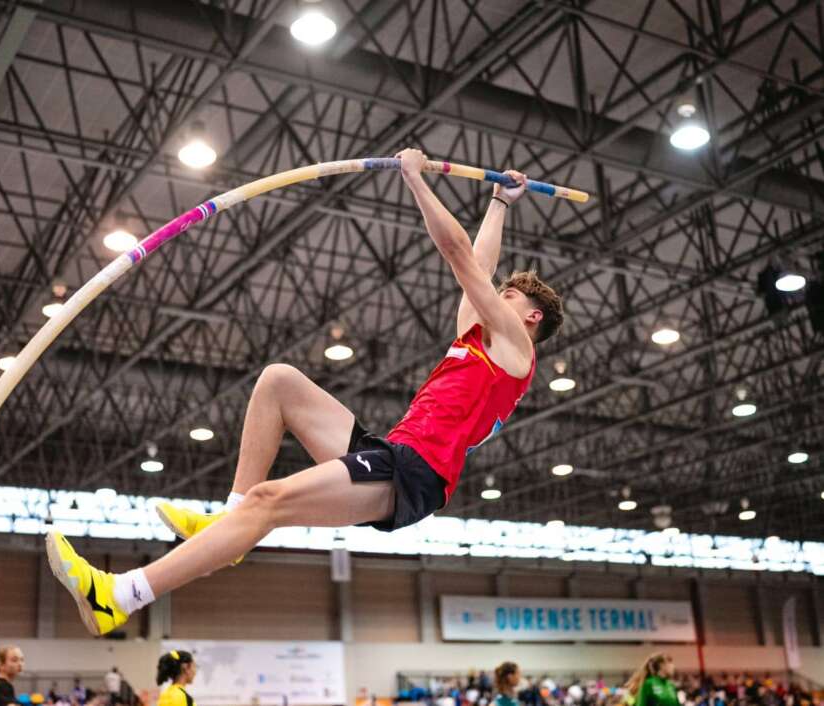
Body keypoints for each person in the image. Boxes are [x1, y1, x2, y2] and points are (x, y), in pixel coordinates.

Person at [45, 147, 564, 634]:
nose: (495, 295)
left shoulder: (516, 350)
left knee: (270, 501)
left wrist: (416, 179)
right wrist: (499, 201)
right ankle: (230, 519)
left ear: (531, 317)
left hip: (414, 474)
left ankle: (121, 595)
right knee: (279, 381)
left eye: (509, 296)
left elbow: (459, 256)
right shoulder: (481, 339)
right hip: (392, 451)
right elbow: (481, 264)